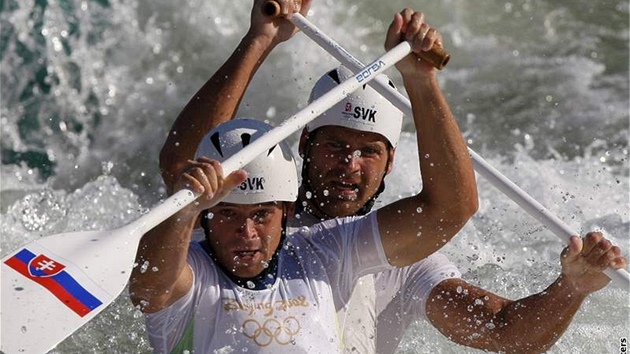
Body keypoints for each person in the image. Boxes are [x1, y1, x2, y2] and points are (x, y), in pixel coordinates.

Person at [155, 1, 628, 353]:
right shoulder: (236, 223)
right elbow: (184, 174)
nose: (350, 164)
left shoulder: (404, 254)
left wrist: (571, 288)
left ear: (391, 163)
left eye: (368, 151)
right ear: (305, 146)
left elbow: (505, 330)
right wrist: (260, 40)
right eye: (336, 146)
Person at [129, 117, 476, 353]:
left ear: (288, 211)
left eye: (262, 214)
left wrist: (421, 79)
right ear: (204, 216)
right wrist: (183, 210)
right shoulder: (189, 275)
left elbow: (450, 208)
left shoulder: (327, 251)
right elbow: (148, 289)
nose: (246, 233)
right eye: (229, 214)